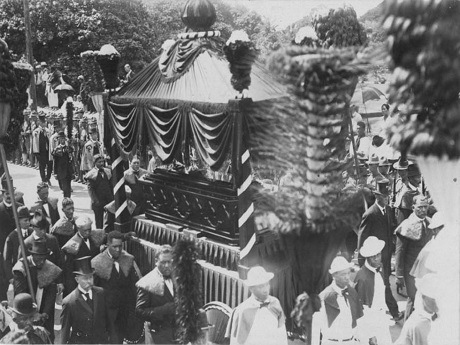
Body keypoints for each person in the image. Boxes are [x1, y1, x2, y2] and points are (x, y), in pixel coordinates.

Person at [357, 179, 402, 321]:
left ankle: (388, 310)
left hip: (386, 257)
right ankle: (394, 312)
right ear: (377, 197)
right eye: (384, 196)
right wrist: (362, 261)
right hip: (374, 259)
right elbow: (361, 239)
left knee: (384, 284)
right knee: (384, 285)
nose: (387, 199)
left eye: (388, 196)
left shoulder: (388, 211)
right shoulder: (370, 214)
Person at [92, 231, 138, 343]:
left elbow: (133, 285)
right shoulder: (97, 262)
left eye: (120, 246)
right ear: (108, 245)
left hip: (124, 309)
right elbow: (94, 290)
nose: (118, 249)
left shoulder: (128, 259)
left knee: (120, 338)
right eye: (114, 246)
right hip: (107, 311)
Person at [12, 239, 63, 342]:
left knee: (46, 337)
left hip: (44, 311)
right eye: (38, 257)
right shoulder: (21, 267)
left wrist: (44, 314)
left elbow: (51, 293)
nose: (41, 261)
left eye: (44, 258)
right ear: (32, 255)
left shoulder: (49, 267)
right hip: (25, 310)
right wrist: (33, 313)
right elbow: (21, 293)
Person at [226, 266, 287, 345]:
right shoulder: (242, 310)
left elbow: (282, 334)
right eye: (261, 286)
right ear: (251, 289)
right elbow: (236, 342)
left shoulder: (275, 303)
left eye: (267, 284)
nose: (266, 289)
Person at [395, 195, 433, 321]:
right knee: (413, 298)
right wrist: (399, 275)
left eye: (425, 207)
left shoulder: (430, 222)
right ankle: (408, 329)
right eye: (420, 207)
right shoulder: (406, 225)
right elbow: (399, 252)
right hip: (410, 270)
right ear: (413, 207)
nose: (423, 210)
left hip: (426, 269)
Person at [312, 256, 363, 345]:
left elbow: (358, 321)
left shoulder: (352, 292)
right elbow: (315, 330)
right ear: (334, 275)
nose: (347, 277)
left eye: (348, 273)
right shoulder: (324, 297)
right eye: (343, 274)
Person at [60, 256, 110, 344]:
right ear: (77, 279)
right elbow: (64, 332)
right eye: (85, 278)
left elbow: (108, 320)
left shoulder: (101, 293)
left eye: (91, 277)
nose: (89, 281)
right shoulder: (69, 302)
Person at [354, 236, 392, 345]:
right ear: (367, 257)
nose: (376, 258)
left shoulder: (380, 268)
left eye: (378, 255)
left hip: (381, 319)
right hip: (370, 323)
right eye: (372, 256)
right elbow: (362, 310)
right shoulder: (363, 278)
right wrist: (370, 334)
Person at [135, 244, 176, 344]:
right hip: (157, 335)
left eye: (169, 262)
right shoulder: (147, 282)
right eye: (163, 262)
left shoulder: (178, 277)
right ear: (156, 262)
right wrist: (164, 309)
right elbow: (139, 311)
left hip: (177, 334)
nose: (167, 265)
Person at [61, 215, 104, 297]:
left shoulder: (94, 238)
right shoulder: (71, 246)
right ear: (78, 229)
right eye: (85, 231)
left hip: (96, 279)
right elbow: (69, 271)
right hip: (82, 282)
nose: (88, 232)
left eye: (89, 230)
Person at [394, 273, 438, 345]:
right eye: (434, 297)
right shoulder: (418, 325)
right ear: (423, 297)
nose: (438, 300)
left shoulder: (435, 315)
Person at [0, 180, 23, 302]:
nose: (9, 196)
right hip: (2, 253)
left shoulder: (19, 208)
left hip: (18, 253)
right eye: (6, 193)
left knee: (19, 283)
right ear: (2, 194)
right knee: (2, 283)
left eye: (11, 193)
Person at [3, 206, 33, 285]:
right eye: (25, 220)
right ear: (18, 221)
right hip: (19, 274)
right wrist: (11, 277)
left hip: (33, 273)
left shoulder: (32, 232)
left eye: (29, 220)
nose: (28, 222)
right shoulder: (11, 237)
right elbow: (7, 259)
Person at [85, 154, 114, 229]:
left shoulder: (107, 172)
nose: (101, 164)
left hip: (108, 200)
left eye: (102, 162)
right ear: (95, 163)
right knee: (99, 221)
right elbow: (91, 190)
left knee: (110, 219)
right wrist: (95, 201)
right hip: (98, 201)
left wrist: (112, 198)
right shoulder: (91, 174)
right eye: (99, 162)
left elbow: (111, 186)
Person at [32, 114, 52, 185]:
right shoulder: (36, 132)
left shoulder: (48, 131)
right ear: (39, 122)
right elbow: (34, 143)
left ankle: (48, 178)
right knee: (42, 166)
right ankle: (43, 179)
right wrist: (36, 153)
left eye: (44, 122)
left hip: (48, 151)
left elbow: (50, 141)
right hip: (41, 151)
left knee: (49, 165)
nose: (43, 123)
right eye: (41, 122)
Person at [52, 131, 74, 197]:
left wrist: (73, 171)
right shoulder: (56, 150)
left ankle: (67, 200)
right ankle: (66, 199)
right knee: (63, 187)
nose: (62, 140)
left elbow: (72, 160)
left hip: (68, 171)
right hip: (60, 171)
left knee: (67, 187)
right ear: (58, 139)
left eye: (63, 138)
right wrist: (55, 172)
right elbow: (55, 162)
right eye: (60, 138)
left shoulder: (69, 148)